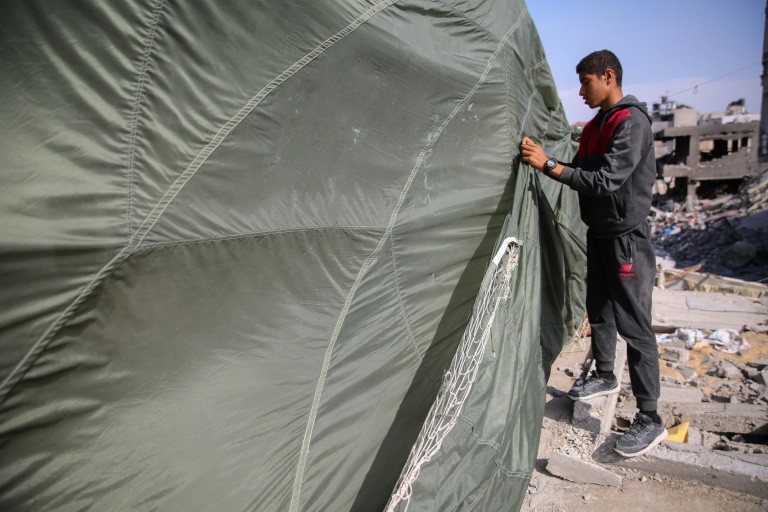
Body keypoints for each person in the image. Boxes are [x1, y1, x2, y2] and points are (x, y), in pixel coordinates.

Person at [520, 49, 666, 458]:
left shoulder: (631, 123)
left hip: (627, 240)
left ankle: (650, 418)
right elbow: (582, 169)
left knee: (636, 327)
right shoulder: (596, 125)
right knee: (598, 307)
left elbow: (605, 181)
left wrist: (549, 166)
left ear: (608, 76)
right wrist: (549, 161)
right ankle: (605, 374)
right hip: (601, 233)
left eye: (586, 81)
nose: (581, 90)